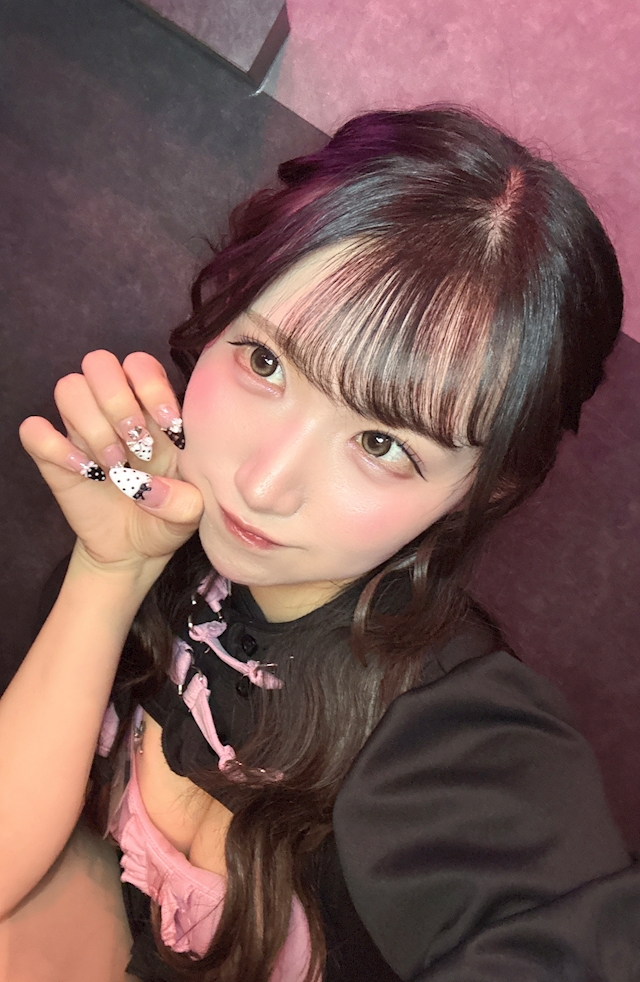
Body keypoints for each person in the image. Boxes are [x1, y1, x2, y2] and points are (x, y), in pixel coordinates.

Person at [2, 106, 639, 982]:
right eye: (265, 364)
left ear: (482, 488)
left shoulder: (451, 735)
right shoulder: (168, 527)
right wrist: (111, 569)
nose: (263, 486)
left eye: (381, 443)